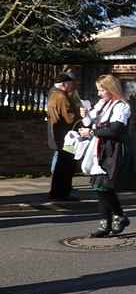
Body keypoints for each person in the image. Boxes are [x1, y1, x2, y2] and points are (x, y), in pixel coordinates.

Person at [78, 75, 136, 237]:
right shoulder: (102, 103)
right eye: (98, 90)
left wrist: (90, 132)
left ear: (111, 89)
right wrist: (85, 114)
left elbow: (114, 130)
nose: (99, 93)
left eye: (102, 90)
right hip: (99, 148)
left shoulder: (122, 106)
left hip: (113, 149)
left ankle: (117, 216)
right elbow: (88, 123)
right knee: (100, 187)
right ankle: (107, 222)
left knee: (104, 186)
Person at [47, 72, 81, 201]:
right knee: (66, 166)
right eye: (71, 83)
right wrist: (81, 114)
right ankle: (62, 193)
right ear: (64, 84)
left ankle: (56, 192)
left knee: (61, 166)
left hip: (59, 135)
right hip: (66, 136)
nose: (72, 86)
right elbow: (69, 117)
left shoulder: (53, 93)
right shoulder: (61, 96)